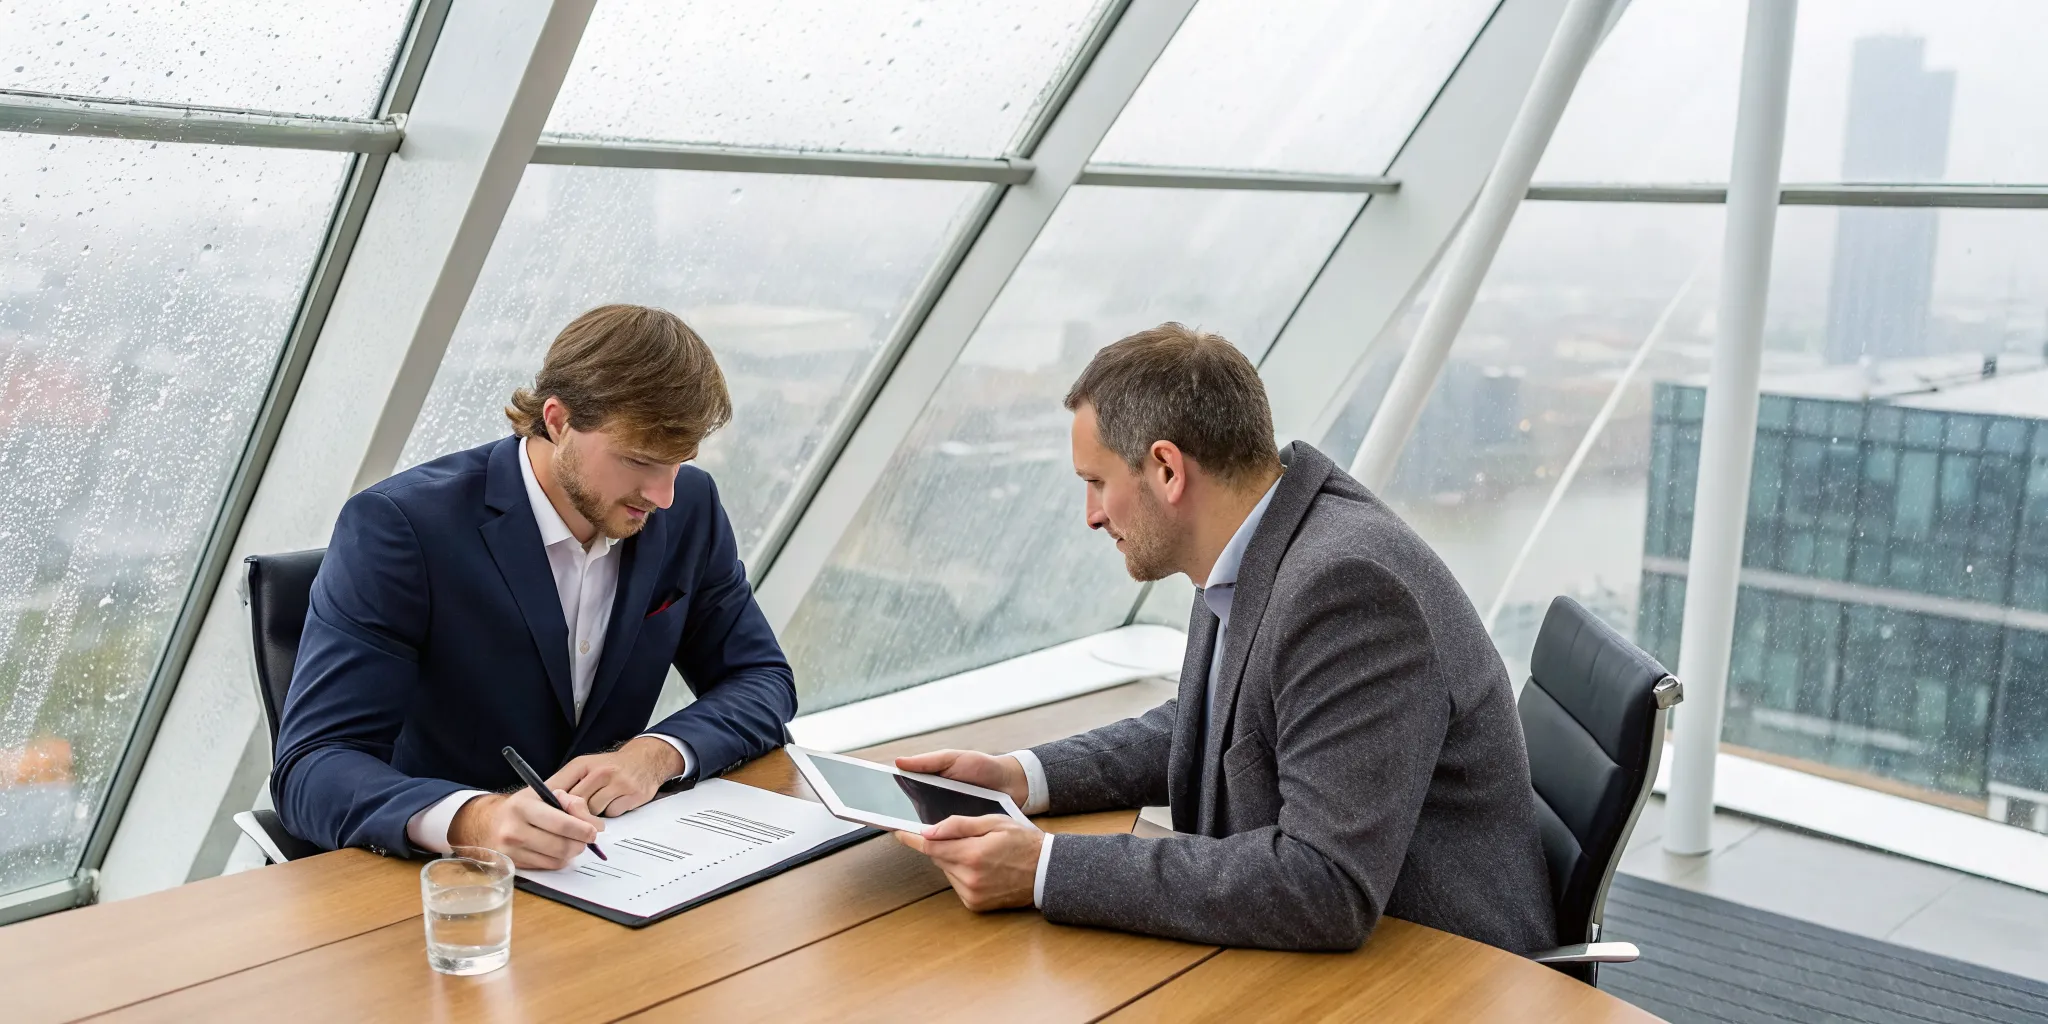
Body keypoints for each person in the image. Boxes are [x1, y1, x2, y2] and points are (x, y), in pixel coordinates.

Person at [893, 323, 1557, 953]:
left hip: (1443, 974)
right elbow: (1215, 721)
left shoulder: (1346, 590)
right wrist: (1020, 777)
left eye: (1097, 483)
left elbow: (1322, 882)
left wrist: (1045, 867)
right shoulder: (1262, 540)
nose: (1091, 516)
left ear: (1167, 470)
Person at [273, 304, 794, 869]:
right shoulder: (399, 528)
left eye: (679, 462)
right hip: (446, 887)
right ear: (556, 420)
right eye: (640, 460)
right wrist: (476, 819)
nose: (663, 494)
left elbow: (761, 678)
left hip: (613, 869)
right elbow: (312, 766)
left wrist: (655, 755)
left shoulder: (690, 508)